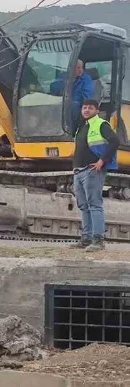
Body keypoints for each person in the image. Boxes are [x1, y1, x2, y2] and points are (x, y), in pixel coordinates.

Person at [70, 99, 117, 252]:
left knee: (94, 205)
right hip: (79, 171)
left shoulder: (101, 124)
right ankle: (86, 239)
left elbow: (115, 141)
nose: (86, 110)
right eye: (84, 107)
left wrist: (102, 161)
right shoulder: (81, 127)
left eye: (90, 108)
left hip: (92, 171)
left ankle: (98, 240)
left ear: (97, 111)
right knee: (83, 206)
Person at [70, 60, 94, 132]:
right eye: (78, 68)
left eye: (81, 68)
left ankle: (73, 131)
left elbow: (87, 95)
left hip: (79, 104)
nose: (80, 70)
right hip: (66, 102)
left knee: (74, 105)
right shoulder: (66, 78)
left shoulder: (86, 79)